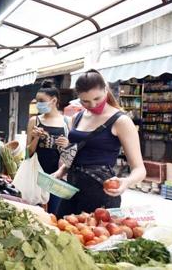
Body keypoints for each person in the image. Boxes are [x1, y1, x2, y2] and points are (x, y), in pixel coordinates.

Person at [53, 69, 146, 217]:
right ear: (78, 98)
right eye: (86, 101)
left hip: (101, 193)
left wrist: (126, 182)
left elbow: (140, 169)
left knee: (94, 237)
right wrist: (61, 171)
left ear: (106, 90)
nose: (93, 104)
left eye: (97, 99)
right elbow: (78, 152)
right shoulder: (77, 117)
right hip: (71, 191)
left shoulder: (121, 121)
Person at [26, 80, 69, 214]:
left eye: (41, 101)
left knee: (55, 214)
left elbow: (73, 152)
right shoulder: (35, 121)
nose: (38, 104)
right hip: (37, 176)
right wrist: (36, 138)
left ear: (54, 101)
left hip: (58, 178)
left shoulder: (67, 121)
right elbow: (28, 153)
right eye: (37, 100)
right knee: (36, 213)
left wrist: (68, 144)